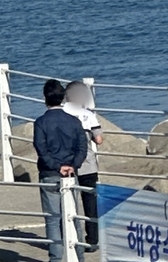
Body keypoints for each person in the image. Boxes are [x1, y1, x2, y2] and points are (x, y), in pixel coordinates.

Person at [34, 79, 88, 262]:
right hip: (71, 173)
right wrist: (72, 165)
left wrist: (57, 166)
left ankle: (56, 258)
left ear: (45, 98)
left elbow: (41, 150)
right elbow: (82, 147)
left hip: (49, 173)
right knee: (73, 217)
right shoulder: (73, 121)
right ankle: (79, 256)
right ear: (63, 98)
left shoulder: (41, 122)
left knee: (52, 219)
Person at [62, 81, 104, 252]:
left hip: (66, 164)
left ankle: (71, 238)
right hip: (87, 164)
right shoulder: (88, 115)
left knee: (69, 202)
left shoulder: (61, 113)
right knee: (90, 204)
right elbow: (99, 140)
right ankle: (92, 240)